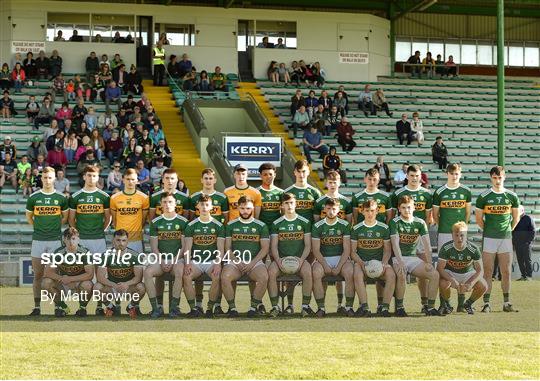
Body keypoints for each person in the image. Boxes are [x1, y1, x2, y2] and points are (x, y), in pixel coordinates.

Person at [475, 166, 520, 313]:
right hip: (489, 238)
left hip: (505, 238)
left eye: (500, 177)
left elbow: (516, 218)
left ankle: (507, 302)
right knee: (488, 271)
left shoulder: (512, 196)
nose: (497, 180)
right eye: (495, 177)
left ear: (504, 177)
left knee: (506, 271)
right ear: (491, 178)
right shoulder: (484, 196)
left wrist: (509, 230)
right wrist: (489, 231)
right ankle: (486, 303)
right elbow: (479, 219)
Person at [25, 166, 69, 316]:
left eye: (50, 177)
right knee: (38, 275)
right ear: (41, 178)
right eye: (45, 177)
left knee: (54, 275)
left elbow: (64, 218)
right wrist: (40, 228)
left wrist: (52, 228)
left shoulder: (61, 198)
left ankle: (59, 307)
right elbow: (29, 219)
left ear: (54, 178)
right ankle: (37, 307)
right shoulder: (34, 198)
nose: (48, 180)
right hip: (38, 241)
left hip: (55, 242)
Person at [68, 165, 111, 311]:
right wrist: (79, 236)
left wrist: (100, 230)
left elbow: (107, 218)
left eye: (94, 176)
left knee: (100, 274)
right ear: (84, 177)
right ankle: (83, 307)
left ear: (98, 177)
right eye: (89, 176)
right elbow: (71, 220)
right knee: (83, 274)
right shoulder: (75, 197)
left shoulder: (104, 197)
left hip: (99, 239)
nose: (91, 178)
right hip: (83, 240)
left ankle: (100, 306)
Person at [391, 164, 433, 312]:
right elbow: (392, 216)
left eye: (417, 176)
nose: (415, 178)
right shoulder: (398, 193)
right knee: (398, 272)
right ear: (406, 176)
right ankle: (398, 305)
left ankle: (425, 302)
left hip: (419, 233)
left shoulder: (427, 194)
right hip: (402, 235)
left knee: (423, 272)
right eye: (412, 175)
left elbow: (428, 217)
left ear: (420, 176)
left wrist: (422, 233)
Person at [390, 195, 441, 316]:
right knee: (401, 275)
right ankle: (400, 307)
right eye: (403, 208)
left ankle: (430, 307)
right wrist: (400, 262)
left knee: (434, 274)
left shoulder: (420, 222)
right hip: (397, 257)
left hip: (412, 258)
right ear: (399, 208)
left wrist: (429, 262)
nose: (406, 210)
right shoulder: (394, 222)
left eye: (409, 207)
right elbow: (395, 244)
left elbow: (427, 244)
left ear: (414, 208)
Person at [221, 196, 270, 318]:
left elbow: (265, 248)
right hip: (235, 262)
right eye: (242, 208)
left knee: (264, 277)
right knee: (225, 277)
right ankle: (232, 309)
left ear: (253, 207)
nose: (245, 211)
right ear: (237, 207)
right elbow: (227, 248)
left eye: (248, 208)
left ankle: (253, 308)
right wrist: (237, 261)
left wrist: (252, 263)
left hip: (254, 262)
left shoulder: (261, 225)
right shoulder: (231, 225)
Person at [268, 193, 313, 317]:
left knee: (308, 272)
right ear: (282, 205)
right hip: (281, 259)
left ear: (296, 204)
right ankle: (275, 307)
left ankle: (305, 307)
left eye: (291, 202)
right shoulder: (276, 223)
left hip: (300, 259)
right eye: (286, 203)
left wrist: (301, 260)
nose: (289, 205)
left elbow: (308, 245)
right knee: (271, 272)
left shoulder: (305, 222)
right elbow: (274, 246)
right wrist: (278, 261)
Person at [145, 192, 189, 318]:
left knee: (180, 272)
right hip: (160, 259)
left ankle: (174, 308)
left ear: (175, 204)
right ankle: (156, 308)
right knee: (147, 272)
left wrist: (174, 261)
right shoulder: (156, 222)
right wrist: (162, 260)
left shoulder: (183, 221)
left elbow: (183, 246)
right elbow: (154, 247)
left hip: (177, 259)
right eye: (164, 202)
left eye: (170, 202)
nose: (167, 204)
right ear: (160, 205)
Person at [351, 199, 397, 317]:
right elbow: (352, 252)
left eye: (372, 210)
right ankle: (364, 307)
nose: (370, 213)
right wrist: (361, 263)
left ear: (377, 211)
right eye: (367, 211)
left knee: (391, 274)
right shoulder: (356, 228)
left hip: (379, 262)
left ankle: (384, 308)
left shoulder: (384, 228)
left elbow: (387, 250)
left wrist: (384, 263)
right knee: (356, 273)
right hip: (362, 263)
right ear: (362, 211)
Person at [183, 194, 226, 318]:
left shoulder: (218, 225)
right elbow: (187, 247)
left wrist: (218, 264)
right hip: (196, 261)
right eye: (201, 204)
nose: (204, 207)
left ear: (212, 207)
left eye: (207, 205)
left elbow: (221, 249)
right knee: (186, 277)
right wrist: (187, 263)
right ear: (197, 206)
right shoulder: (191, 225)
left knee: (217, 277)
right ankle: (194, 309)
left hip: (212, 261)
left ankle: (209, 308)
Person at [311, 198, 354, 318]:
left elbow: (347, 250)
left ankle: (348, 307)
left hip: (341, 258)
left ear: (339, 210)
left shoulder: (345, 225)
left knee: (350, 272)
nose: (331, 211)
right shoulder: (317, 226)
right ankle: (321, 308)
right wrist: (325, 265)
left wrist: (339, 266)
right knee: (315, 273)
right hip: (323, 258)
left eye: (334, 209)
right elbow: (315, 250)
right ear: (324, 209)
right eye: (328, 208)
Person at [41, 227, 94, 317]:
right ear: (64, 240)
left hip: (78, 284)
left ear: (78, 239)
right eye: (68, 238)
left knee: (88, 285)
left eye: (73, 239)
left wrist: (71, 279)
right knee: (45, 283)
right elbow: (47, 272)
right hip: (63, 283)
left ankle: (82, 308)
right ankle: (63, 307)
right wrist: (62, 278)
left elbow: (90, 274)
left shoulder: (85, 253)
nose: (71, 242)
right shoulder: (58, 253)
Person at [437, 222, 488, 315]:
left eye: (462, 235)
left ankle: (468, 304)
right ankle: (448, 305)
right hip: (451, 272)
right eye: (456, 235)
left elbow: (480, 270)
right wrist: (452, 280)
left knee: (484, 286)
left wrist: (471, 283)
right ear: (452, 235)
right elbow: (440, 268)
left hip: (467, 273)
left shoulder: (474, 249)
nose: (459, 238)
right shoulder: (446, 248)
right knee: (443, 283)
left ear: (466, 235)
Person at [94, 229, 146, 318]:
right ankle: (111, 307)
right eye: (118, 240)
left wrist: (126, 284)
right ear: (113, 240)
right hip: (112, 287)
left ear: (127, 241)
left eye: (123, 240)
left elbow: (138, 278)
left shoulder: (135, 256)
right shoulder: (106, 255)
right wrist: (113, 285)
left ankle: (130, 307)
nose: (121, 243)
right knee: (96, 287)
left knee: (141, 287)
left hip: (128, 287)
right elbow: (100, 277)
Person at [432, 163, 472, 255]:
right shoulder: (439, 192)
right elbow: (435, 214)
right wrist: (442, 225)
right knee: (443, 258)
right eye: (452, 173)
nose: (454, 176)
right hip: (444, 231)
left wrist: (463, 227)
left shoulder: (466, 191)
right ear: (447, 174)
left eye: (457, 174)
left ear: (460, 174)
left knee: (460, 259)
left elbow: (468, 212)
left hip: (461, 232)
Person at [110, 168, 150, 253]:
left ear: (137, 180)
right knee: (119, 265)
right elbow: (114, 220)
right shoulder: (114, 198)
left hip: (136, 239)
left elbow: (143, 220)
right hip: (120, 239)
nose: (130, 182)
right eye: (128, 179)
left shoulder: (144, 198)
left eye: (133, 179)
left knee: (138, 265)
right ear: (123, 180)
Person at [256, 163, 284, 229]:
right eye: (265, 174)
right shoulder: (256, 192)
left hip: (277, 228)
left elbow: (284, 213)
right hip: (261, 228)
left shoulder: (281, 192)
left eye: (270, 174)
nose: (268, 176)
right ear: (261, 176)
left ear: (275, 175)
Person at [513, 206, 536, 281]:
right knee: (520, 260)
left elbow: (533, 231)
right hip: (517, 244)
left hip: (526, 244)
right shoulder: (515, 219)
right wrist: (514, 242)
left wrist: (528, 242)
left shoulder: (528, 218)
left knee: (527, 260)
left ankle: (529, 276)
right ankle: (523, 276)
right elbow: (512, 231)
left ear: (523, 211)